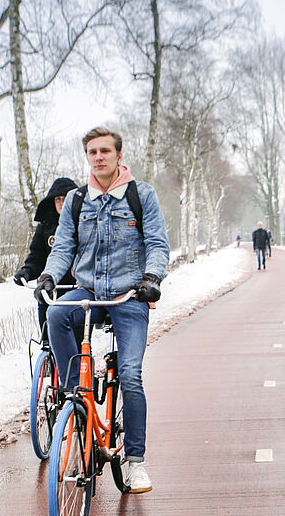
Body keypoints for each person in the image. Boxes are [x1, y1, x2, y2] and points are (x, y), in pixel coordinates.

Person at [37, 126, 169, 494]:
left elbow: (158, 243)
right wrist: (49, 275)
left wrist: (152, 277)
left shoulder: (141, 196)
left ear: (118, 156)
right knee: (57, 314)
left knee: (129, 374)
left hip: (129, 295)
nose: (99, 157)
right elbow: (63, 246)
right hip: (89, 291)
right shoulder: (78, 201)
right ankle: (73, 394)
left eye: (105, 151)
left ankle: (136, 462)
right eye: (93, 152)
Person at [13, 176, 78, 339]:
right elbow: (37, 255)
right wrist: (27, 272)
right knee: (47, 338)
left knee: (77, 343)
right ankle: (47, 362)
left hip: (77, 290)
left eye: (66, 199)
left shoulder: (84, 224)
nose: (62, 203)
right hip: (50, 290)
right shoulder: (45, 226)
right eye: (58, 199)